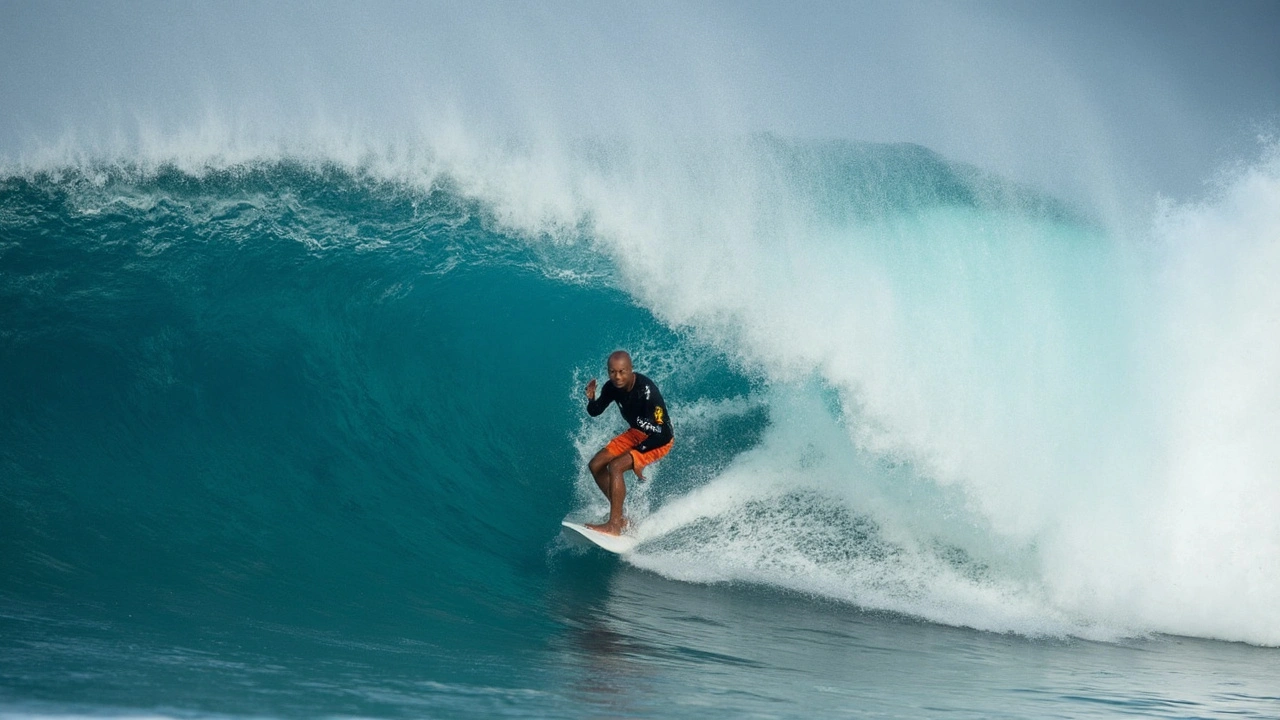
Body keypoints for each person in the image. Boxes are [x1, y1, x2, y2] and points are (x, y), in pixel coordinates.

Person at [583, 350, 674, 535]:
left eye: (622, 371)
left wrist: (638, 454)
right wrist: (591, 399)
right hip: (636, 433)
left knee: (616, 466)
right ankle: (620, 517)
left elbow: (663, 434)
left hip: (657, 440)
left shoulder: (648, 392)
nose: (617, 377)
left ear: (631, 369)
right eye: (612, 372)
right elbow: (595, 411)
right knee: (596, 464)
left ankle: (613, 526)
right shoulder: (611, 387)